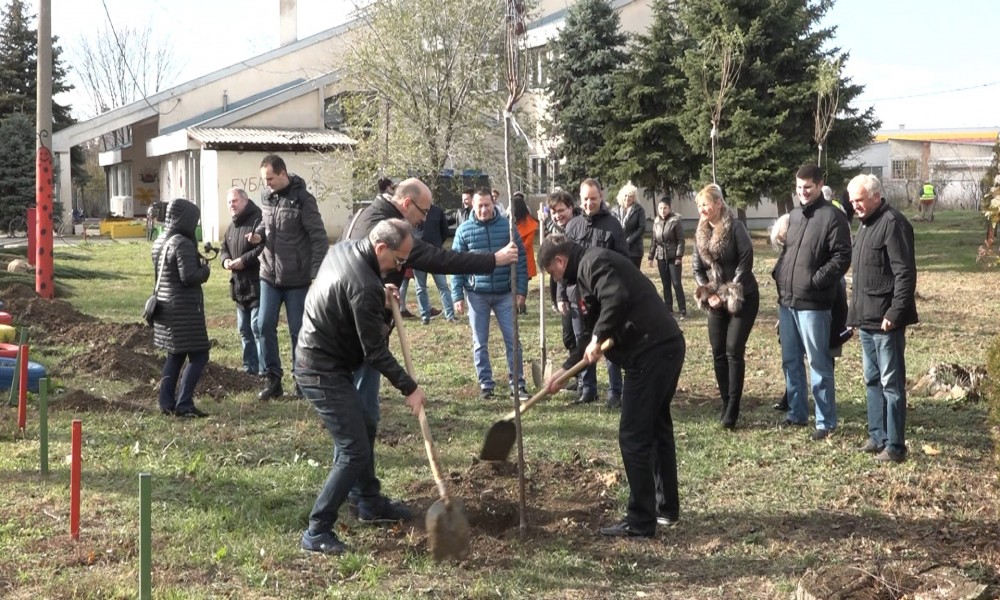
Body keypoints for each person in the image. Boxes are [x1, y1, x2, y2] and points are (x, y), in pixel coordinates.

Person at [342, 177, 518, 516]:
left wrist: (385, 287)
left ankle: (363, 494)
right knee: (362, 417)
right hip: (359, 338)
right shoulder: (385, 226)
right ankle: (362, 498)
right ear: (406, 204)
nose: (426, 219)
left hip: (359, 330)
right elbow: (439, 259)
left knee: (361, 417)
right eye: (424, 211)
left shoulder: (372, 213)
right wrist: (492, 260)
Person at [538, 234, 685, 537]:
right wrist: (564, 371)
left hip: (651, 352)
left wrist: (597, 338)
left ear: (560, 262)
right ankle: (665, 509)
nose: (556, 279)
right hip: (663, 346)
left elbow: (615, 298)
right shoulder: (587, 270)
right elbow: (592, 329)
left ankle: (641, 521)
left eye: (552, 272)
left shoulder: (594, 263)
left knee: (633, 436)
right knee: (656, 428)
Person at [295, 219, 426, 555]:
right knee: (353, 449)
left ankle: (369, 502)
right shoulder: (366, 285)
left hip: (325, 359)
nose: (400, 268)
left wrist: (377, 295)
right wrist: (410, 388)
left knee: (365, 425)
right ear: (381, 248)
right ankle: (317, 530)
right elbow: (375, 353)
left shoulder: (344, 248)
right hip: (320, 370)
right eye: (398, 261)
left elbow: (347, 289)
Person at [772, 164, 852, 440]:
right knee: (790, 361)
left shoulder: (833, 217)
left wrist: (816, 281)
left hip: (815, 305)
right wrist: (779, 274)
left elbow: (842, 257)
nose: (802, 193)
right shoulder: (794, 216)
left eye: (807, 187)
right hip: (788, 302)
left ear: (819, 185)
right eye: (798, 188)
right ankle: (796, 413)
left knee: (819, 364)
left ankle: (825, 421)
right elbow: (788, 252)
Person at [846, 174, 918, 463]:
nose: (855, 206)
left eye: (859, 200)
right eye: (852, 201)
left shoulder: (893, 224)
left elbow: (905, 273)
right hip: (866, 320)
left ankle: (896, 447)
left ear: (876, 196)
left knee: (891, 384)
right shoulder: (865, 226)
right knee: (872, 380)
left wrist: (895, 313)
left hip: (886, 322)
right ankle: (878, 437)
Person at [248, 155, 329, 400]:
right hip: (268, 275)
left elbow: (318, 238)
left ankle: (302, 381)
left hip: (297, 278)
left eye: (270, 178)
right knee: (262, 326)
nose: (267, 183)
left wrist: (316, 274)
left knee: (298, 330)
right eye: (264, 179)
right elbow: (266, 224)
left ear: (283, 173)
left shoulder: (303, 200)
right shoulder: (266, 197)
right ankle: (272, 379)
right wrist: (259, 236)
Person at [450, 189, 530, 400]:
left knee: (513, 340)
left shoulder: (507, 228)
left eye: (487, 205)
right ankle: (486, 384)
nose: (484, 210)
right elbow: (456, 264)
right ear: (473, 207)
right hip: (477, 294)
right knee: (480, 342)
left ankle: (518, 384)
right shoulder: (464, 231)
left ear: (493, 203)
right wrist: (457, 295)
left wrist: (521, 290)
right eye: (480, 206)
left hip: (505, 293)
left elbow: (520, 259)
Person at [691, 184, 759, 430]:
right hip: (715, 299)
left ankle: (733, 407)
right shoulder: (700, 233)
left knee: (733, 349)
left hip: (741, 296)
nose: (702, 209)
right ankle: (725, 400)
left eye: (706, 204)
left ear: (719, 204)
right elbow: (698, 269)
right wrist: (708, 293)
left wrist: (730, 289)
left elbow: (746, 259)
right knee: (718, 350)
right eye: (699, 206)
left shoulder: (735, 227)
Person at [563, 178, 628, 408]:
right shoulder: (572, 226)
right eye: (585, 199)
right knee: (583, 342)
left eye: (593, 198)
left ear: (601, 197)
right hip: (578, 296)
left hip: (605, 297)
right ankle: (588, 388)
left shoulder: (613, 226)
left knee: (607, 343)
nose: (589, 203)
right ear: (580, 200)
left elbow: (623, 261)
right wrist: (563, 295)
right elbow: (564, 265)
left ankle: (615, 392)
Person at [151, 198, 212, 419]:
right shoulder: (182, 244)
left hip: (165, 309)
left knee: (174, 356)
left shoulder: (160, 241)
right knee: (199, 355)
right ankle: (184, 404)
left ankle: (165, 402)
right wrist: (205, 271)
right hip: (184, 311)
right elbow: (189, 277)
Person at [220, 187, 264, 375]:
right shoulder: (232, 227)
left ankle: (264, 370)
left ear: (245, 201)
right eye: (229, 202)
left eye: (235, 201)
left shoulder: (257, 221)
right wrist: (226, 261)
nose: (232, 205)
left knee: (257, 329)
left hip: (257, 284)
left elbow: (263, 247)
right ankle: (249, 369)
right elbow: (223, 248)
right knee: (244, 330)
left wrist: (244, 261)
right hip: (238, 287)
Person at [543, 190, 583, 359]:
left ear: (571, 208)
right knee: (568, 336)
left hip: (579, 291)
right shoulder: (554, 230)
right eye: (553, 212)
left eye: (561, 211)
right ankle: (577, 374)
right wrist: (560, 297)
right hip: (564, 291)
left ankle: (584, 379)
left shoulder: (580, 228)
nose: (557, 216)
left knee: (580, 336)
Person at [409, 203, 456, 325]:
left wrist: (437, 244)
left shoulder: (438, 211)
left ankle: (450, 315)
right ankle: (425, 316)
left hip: (435, 254)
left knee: (443, 286)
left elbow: (445, 231)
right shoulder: (412, 211)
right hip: (418, 255)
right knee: (420, 288)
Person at [648, 199, 686, 319]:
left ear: (669, 208)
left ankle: (682, 309)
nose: (662, 211)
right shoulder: (656, 222)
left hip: (673, 257)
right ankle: (668, 309)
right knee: (665, 284)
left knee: (676, 283)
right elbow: (654, 241)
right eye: (660, 208)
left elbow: (681, 240)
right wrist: (651, 256)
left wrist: (679, 256)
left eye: (665, 208)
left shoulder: (675, 221)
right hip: (661, 257)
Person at [512, 192, 539, 315]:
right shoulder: (512, 221)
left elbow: (527, 244)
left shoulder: (530, 222)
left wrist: (514, 246)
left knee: (522, 284)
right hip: (512, 257)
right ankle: (514, 306)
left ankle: (522, 306)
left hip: (524, 260)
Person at [612, 182, 646, 268]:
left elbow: (641, 228)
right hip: (618, 248)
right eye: (625, 195)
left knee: (633, 276)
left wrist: (628, 241)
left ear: (634, 197)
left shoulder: (639, 210)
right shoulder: (614, 210)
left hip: (635, 250)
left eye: (630, 196)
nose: (627, 198)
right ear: (621, 196)